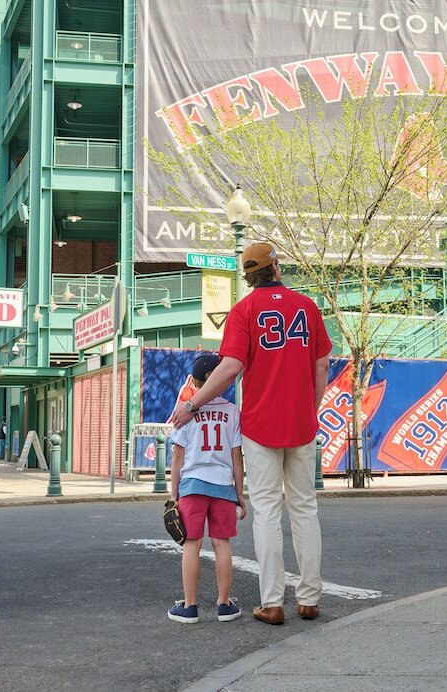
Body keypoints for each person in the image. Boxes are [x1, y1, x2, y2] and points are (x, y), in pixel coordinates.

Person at [171, 242, 331, 626]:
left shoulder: (244, 311)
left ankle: (272, 601)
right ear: (275, 267)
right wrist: (312, 406)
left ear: (247, 274)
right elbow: (322, 362)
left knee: (267, 512)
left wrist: (193, 404)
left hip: (260, 424)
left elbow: (229, 368)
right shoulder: (307, 306)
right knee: (305, 508)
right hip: (301, 421)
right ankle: (308, 598)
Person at [167, 353, 247, 624]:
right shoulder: (232, 412)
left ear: (195, 381)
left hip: (192, 485)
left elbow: (178, 457)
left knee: (192, 543)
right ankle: (224, 604)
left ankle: (189, 606)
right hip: (223, 485)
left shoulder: (187, 411)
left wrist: (173, 493)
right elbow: (237, 456)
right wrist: (240, 494)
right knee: (221, 543)